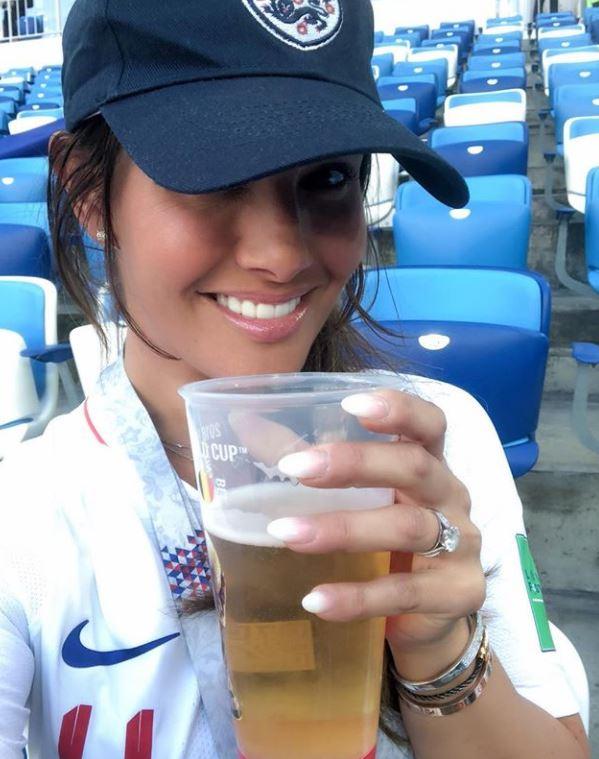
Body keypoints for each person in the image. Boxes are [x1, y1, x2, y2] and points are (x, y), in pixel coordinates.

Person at [0, 0, 591, 757]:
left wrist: (440, 650)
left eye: (328, 178)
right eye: (211, 180)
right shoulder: (28, 513)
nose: (282, 254)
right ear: (88, 193)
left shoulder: (434, 442)